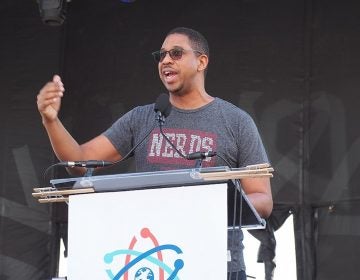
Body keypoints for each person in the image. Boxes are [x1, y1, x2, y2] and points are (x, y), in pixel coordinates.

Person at [37, 27, 273, 279]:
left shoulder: (236, 121)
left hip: (218, 264)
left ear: (201, 61)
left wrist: (209, 205)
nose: (166, 60)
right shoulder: (142, 118)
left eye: (176, 53)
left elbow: (263, 200)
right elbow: (81, 164)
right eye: (161, 56)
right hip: (155, 262)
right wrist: (51, 121)